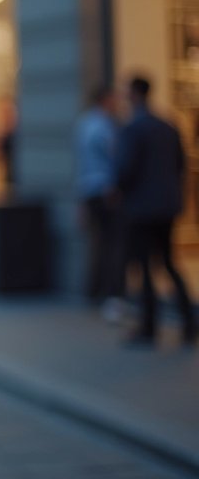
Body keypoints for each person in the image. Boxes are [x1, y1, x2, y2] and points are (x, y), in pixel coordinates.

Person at [115, 76, 195, 347]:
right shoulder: (168, 125)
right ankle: (189, 322)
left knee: (145, 267)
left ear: (135, 94)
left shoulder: (134, 128)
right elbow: (180, 165)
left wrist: (118, 191)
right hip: (167, 205)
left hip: (142, 208)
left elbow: (125, 170)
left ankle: (149, 327)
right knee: (169, 262)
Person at [74, 85, 123, 317]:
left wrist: (82, 200)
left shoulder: (84, 125)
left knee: (100, 243)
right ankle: (111, 295)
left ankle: (94, 291)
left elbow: (82, 165)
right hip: (106, 191)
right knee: (112, 244)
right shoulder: (106, 126)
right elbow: (114, 158)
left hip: (91, 191)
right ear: (105, 100)